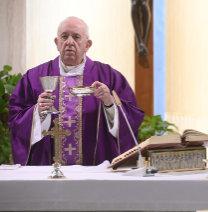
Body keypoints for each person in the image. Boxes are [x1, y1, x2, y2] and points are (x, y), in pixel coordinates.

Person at [8, 17, 145, 166]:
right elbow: (16, 117)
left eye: (76, 37)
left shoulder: (109, 76)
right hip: (48, 170)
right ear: (57, 43)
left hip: (94, 169)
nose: (69, 42)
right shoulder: (33, 77)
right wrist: (37, 112)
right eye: (64, 36)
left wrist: (109, 103)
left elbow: (132, 119)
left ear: (87, 45)